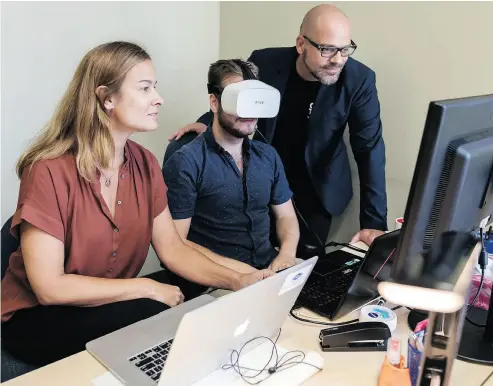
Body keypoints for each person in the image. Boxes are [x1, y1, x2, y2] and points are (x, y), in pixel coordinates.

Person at [0, 42, 272, 367]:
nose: (158, 98)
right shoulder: (48, 170)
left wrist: (240, 281)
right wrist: (146, 286)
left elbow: (173, 248)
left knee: (188, 310)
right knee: (157, 311)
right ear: (107, 98)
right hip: (36, 317)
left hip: (100, 304)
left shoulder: (145, 163)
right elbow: (49, 288)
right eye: (145, 88)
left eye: (154, 87)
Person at [169, 4, 388, 252]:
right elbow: (237, 96)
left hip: (316, 187)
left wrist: (374, 224)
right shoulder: (264, 62)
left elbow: (369, 149)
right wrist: (208, 121)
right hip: (262, 177)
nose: (338, 59)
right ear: (301, 44)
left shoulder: (360, 80)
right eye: (327, 50)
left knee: (301, 264)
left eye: (345, 49)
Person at [163, 59, 300, 274]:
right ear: (215, 102)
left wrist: (287, 255)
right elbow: (175, 243)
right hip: (215, 279)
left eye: (253, 100)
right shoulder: (186, 162)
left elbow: (286, 216)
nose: (248, 112)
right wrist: (242, 275)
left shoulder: (268, 156)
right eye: (238, 100)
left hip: (269, 268)